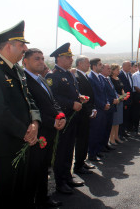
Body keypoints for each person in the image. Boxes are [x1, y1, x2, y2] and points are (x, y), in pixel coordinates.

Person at [0, 21, 41, 208]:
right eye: (22, 45)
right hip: (4, 146)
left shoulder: (19, 70)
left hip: (24, 140)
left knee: (20, 191)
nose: (25, 49)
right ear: (8, 45)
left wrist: (35, 122)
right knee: (3, 193)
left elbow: (29, 100)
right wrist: (25, 131)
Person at [23, 48, 65, 207]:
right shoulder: (24, 81)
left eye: (42, 58)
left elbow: (52, 101)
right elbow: (31, 109)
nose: (41, 61)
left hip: (49, 132)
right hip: (37, 133)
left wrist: (61, 116)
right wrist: (52, 121)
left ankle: (42, 198)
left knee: (43, 169)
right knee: (33, 172)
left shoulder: (41, 79)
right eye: (37, 59)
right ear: (25, 61)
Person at [46, 42, 87, 194]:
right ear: (59, 58)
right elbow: (53, 97)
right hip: (63, 119)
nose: (71, 60)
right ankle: (60, 182)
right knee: (61, 152)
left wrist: (79, 98)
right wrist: (71, 103)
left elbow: (71, 92)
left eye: (71, 57)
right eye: (68, 57)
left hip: (73, 118)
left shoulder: (68, 74)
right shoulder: (53, 75)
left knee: (69, 150)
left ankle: (68, 177)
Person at [73, 56, 97, 175]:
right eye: (87, 63)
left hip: (87, 111)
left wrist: (92, 109)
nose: (89, 65)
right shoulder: (77, 76)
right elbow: (81, 96)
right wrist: (89, 110)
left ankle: (82, 161)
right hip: (82, 113)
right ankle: (78, 165)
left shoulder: (84, 76)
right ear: (80, 64)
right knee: (81, 140)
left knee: (85, 139)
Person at [87, 58, 109, 162]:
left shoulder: (100, 77)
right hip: (97, 108)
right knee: (94, 132)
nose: (102, 66)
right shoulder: (90, 77)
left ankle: (98, 150)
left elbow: (104, 93)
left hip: (103, 108)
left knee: (100, 130)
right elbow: (93, 95)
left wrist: (107, 102)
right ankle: (92, 154)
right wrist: (103, 105)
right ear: (94, 66)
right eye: (100, 65)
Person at [100, 64, 119, 151]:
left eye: (110, 69)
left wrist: (116, 97)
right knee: (103, 128)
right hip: (106, 106)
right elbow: (104, 93)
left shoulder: (108, 79)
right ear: (102, 69)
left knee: (108, 127)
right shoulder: (101, 79)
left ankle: (105, 144)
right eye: (108, 68)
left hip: (112, 106)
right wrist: (112, 100)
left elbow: (113, 90)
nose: (109, 70)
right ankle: (101, 146)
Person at [110, 64, 125, 144]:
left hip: (120, 101)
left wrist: (124, 94)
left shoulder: (118, 78)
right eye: (117, 70)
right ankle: (111, 138)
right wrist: (120, 96)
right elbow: (113, 91)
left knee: (118, 121)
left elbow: (121, 88)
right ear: (112, 70)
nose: (119, 71)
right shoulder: (110, 79)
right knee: (114, 122)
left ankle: (116, 136)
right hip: (115, 101)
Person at [119, 61, 133, 138]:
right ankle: (121, 132)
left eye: (130, 65)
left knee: (127, 116)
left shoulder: (129, 74)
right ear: (123, 66)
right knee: (123, 116)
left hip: (129, 98)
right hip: (123, 99)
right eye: (128, 65)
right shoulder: (120, 75)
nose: (130, 67)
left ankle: (124, 131)